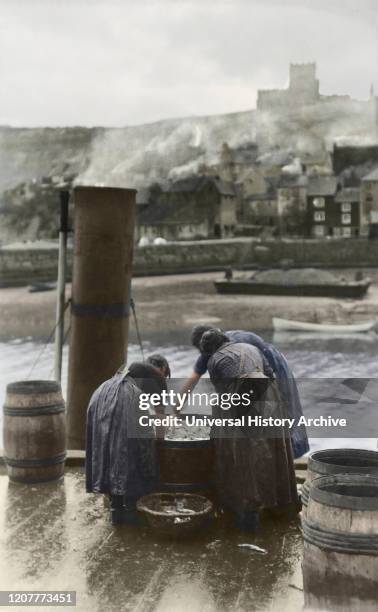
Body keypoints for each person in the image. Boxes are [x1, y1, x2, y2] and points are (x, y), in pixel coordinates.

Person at [200, 329, 299, 530]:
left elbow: (222, 396)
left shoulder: (214, 359)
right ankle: (280, 506)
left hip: (244, 395)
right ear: (225, 340)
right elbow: (270, 374)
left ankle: (248, 516)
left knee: (244, 457)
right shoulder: (250, 347)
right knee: (272, 450)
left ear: (208, 350)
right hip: (269, 395)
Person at [183, 325, 309, 458]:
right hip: (262, 378)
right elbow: (195, 380)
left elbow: (228, 394)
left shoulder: (232, 346)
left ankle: (284, 456)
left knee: (284, 415)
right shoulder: (213, 346)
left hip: (274, 365)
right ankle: (276, 459)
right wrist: (176, 409)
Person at [86, 362, 167, 526]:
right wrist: (159, 443)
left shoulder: (104, 386)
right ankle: (131, 511)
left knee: (109, 453)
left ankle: (116, 509)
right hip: (127, 406)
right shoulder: (141, 391)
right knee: (130, 456)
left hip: (100, 407)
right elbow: (151, 433)